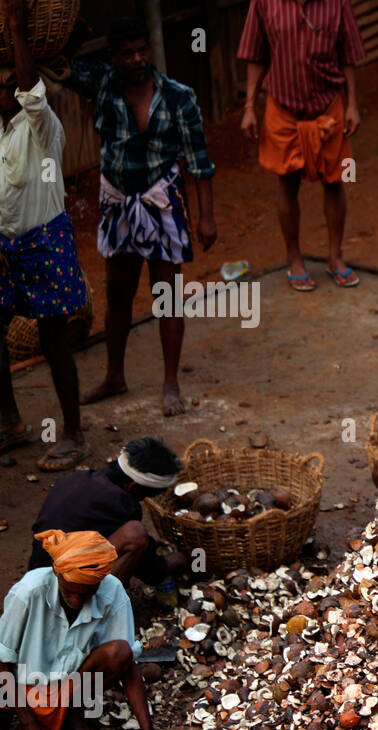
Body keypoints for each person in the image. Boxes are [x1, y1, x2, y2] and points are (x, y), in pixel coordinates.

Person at [64, 16, 218, 417]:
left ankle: (170, 384)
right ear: (113, 57)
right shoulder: (102, 85)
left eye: (142, 50)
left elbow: (199, 160)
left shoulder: (178, 96)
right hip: (117, 199)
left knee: (166, 294)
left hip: (161, 196)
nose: (137, 59)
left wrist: (206, 217)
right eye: (127, 53)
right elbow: (59, 68)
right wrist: (72, 34)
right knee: (118, 292)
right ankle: (115, 375)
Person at [0, 0, 90, 471]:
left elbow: (30, 89)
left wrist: (16, 24)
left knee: (54, 340)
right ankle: (11, 421)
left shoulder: (40, 126)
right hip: (6, 248)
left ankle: (74, 432)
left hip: (44, 242)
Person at [237, 0, 366, 292]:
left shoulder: (337, 3)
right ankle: (294, 259)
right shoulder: (264, 3)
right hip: (282, 107)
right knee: (287, 182)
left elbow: (348, 57)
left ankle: (335, 257)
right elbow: (255, 56)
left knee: (337, 181)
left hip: (329, 106)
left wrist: (353, 105)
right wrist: (249, 106)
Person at [1, 530, 160, 730]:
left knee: (120, 651)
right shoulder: (29, 592)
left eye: (86, 593)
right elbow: (1, 661)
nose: (76, 600)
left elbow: (128, 665)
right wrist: (27, 723)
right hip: (19, 687)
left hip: (68, 688)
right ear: (57, 573)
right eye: (70, 591)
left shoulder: (111, 590)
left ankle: (72, 713)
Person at [29, 437, 186, 587]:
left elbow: (92, 525)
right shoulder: (122, 503)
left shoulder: (76, 478)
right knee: (136, 534)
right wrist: (177, 560)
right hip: (63, 590)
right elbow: (151, 573)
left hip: (36, 575)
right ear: (132, 487)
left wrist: (150, 545)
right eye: (146, 495)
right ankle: (96, 608)